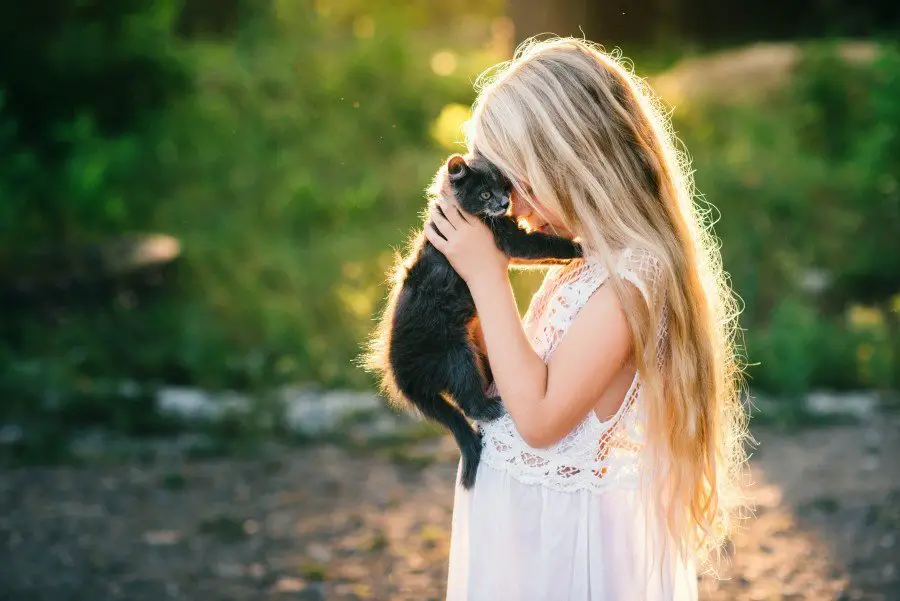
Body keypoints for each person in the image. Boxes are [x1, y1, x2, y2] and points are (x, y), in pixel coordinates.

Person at [424, 37, 750, 601]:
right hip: (525, 548)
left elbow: (542, 419)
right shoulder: (584, 261)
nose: (513, 206)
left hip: (570, 561)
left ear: (570, 161)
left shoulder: (632, 281)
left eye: (516, 181)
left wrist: (488, 275)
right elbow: (512, 379)